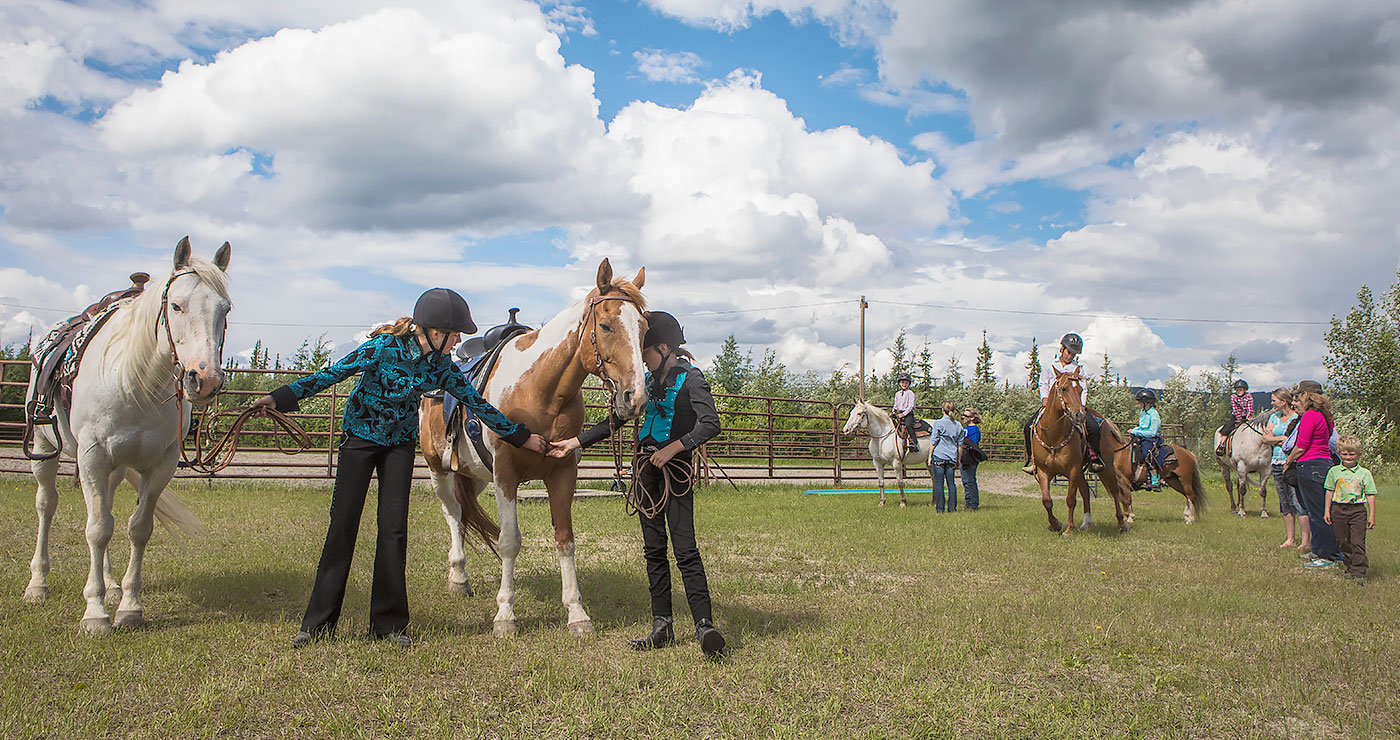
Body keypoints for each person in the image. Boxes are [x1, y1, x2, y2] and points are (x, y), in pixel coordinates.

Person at [254, 288, 550, 649]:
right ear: (435, 331)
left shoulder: (441, 366)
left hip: (397, 446)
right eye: (456, 332)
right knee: (343, 526)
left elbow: (478, 404)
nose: (460, 339)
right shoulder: (382, 349)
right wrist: (280, 398)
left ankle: (389, 625)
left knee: (393, 531)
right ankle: (317, 624)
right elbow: (330, 375)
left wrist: (521, 438)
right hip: (360, 440)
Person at [547, 311, 726, 658]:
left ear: (663, 347)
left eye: (646, 351)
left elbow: (710, 424)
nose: (641, 357)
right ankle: (662, 627)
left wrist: (674, 448)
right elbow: (618, 417)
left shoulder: (692, 380)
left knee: (685, 549)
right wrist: (576, 442)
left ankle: (704, 625)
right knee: (653, 550)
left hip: (674, 473)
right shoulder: (647, 380)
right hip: (645, 472)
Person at [1022, 333, 1104, 474]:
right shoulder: (1049, 366)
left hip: (1074, 406)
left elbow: (1084, 389)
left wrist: (1081, 406)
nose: (1070, 356)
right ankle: (1033, 460)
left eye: (1073, 354)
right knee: (1028, 427)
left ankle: (1093, 457)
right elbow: (1043, 384)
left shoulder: (1078, 369)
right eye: (1069, 352)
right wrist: (1045, 399)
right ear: (1062, 349)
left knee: (1093, 428)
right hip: (1052, 405)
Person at [1283, 381, 1342, 569]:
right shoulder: (1326, 417)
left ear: (1306, 395)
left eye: (1299, 395)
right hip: (1324, 464)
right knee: (1318, 511)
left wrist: (1288, 461)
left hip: (1310, 465)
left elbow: (1301, 446)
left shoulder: (1310, 416)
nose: (1296, 399)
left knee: (1317, 513)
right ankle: (1318, 549)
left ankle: (1328, 556)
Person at [1323, 435, 1377, 585]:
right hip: (1338, 509)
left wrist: (1372, 515)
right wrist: (1327, 511)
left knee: (1357, 542)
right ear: (1339, 454)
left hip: (1357, 510)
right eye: (1344, 454)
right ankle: (1350, 565)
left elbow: (1371, 494)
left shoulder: (1364, 473)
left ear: (1358, 455)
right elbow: (1329, 491)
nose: (1348, 457)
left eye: (1352, 454)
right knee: (1343, 541)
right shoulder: (1334, 471)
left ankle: (1359, 571)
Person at [1261, 388, 1307, 550]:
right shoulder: (1274, 417)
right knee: (1284, 501)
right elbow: (1266, 439)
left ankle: (1305, 541)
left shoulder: (1297, 418)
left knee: (1297, 500)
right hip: (1276, 462)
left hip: (1292, 462)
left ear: (1283, 401)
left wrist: (1279, 440)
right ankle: (1290, 538)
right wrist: (1282, 439)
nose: (1272, 403)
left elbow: (1295, 442)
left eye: (1274, 400)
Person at [928, 399, 963, 512]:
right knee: (951, 483)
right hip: (952, 456)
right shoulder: (958, 425)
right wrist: (959, 459)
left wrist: (929, 456)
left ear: (942, 410)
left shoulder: (938, 423)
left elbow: (933, 441)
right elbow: (960, 445)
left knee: (939, 484)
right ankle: (952, 508)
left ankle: (940, 508)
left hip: (939, 455)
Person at [1127, 388, 1164, 490]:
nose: (1139, 404)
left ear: (1146, 402)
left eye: (1140, 402)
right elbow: (1142, 427)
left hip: (1151, 439)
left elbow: (1153, 432)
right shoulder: (1143, 412)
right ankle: (1136, 476)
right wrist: (1134, 430)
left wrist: (1136, 432)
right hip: (1142, 436)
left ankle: (1155, 479)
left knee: (1146, 453)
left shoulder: (1153, 414)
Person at [1216, 379, 1255, 456]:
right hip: (1236, 417)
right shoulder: (1233, 397)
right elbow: (1235, 409)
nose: (1239, 391)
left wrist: (1248, 417)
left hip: (1247, 417)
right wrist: (1239, 419)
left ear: (1245, 390)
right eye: (1237, 390)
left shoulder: (1249, 396)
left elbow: (1250, 408)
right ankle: (1222, 445)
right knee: (1227, 429)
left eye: (1240, 390)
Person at [959, 407, 984, 511]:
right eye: (964, 415)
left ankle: (973, 504)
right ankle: (967, 503)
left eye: (966, 416)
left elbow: (971, 444)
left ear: (972, 418)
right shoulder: (965, 429)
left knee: (970, 481)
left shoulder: (974, 430)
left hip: (970, 457)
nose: (964, 417)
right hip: (963, 456)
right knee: (965, 481)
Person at [891, 371, 918, 456]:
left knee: (908, 425)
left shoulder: (910, 393)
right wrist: (893, 412)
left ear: (909, 384)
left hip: (908, 413)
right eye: (902, 382)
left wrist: (904, 414)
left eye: (906, 383)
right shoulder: (897, 394)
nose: (904, 384)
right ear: (899, 383)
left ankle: (914, 442)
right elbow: (896, 405)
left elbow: (911, 406)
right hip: (899, 413)